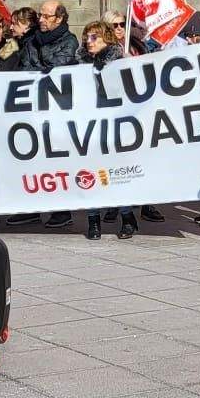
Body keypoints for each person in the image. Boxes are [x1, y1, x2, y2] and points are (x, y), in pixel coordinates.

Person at [10, 1, 80, 228]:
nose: (40, 19)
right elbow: (24, 69)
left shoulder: (69, 41)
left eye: (46, 16)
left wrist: (38, 71)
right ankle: (29, 208)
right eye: (40, 15)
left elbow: (58, 70)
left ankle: (61, 210)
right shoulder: (32, 41)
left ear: (59, 19)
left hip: (57, 109)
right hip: (33, 109)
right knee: (31, 159)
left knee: (56, 162)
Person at [75, 22, 138, 240]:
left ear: (107, 39)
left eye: (94, 37)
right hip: (88, 124)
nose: (89, 42)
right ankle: (93, 220)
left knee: (117, 173)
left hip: (114, 124)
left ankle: (127, 216)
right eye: (87, 37)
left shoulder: (119, 62)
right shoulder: (78, 64)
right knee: (91, 172)